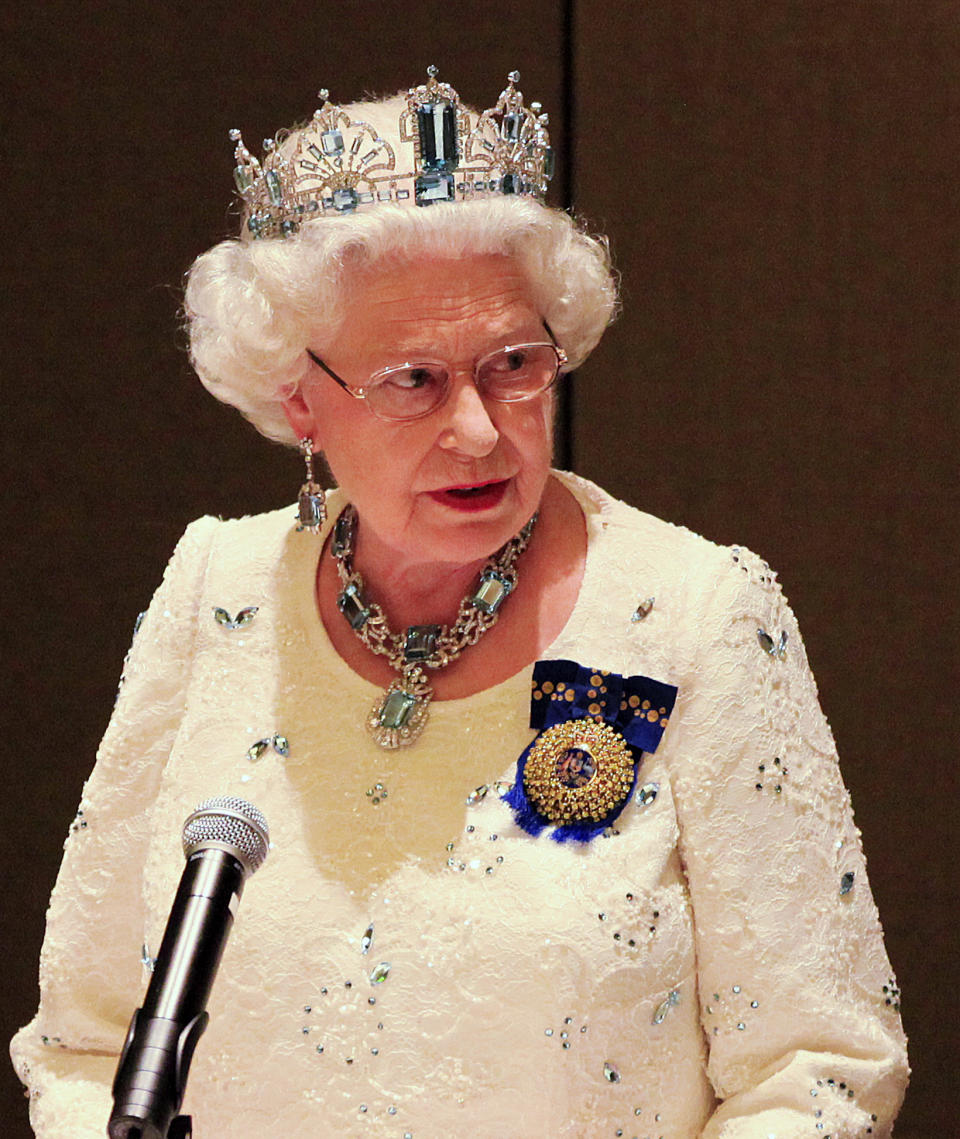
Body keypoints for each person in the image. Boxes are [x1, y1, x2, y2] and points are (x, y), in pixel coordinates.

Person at [11, 69, 908, 1138]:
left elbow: (818, 1068)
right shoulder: (213, 592)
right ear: (300, 396)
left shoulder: (693, 614)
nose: (480, 429)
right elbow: (86, 1039)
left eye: (513, 366)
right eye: (413, 380)